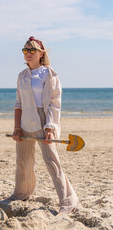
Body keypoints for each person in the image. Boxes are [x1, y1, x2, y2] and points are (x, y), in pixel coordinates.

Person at [10, 36, 78, 214]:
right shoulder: (21, 76)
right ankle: (21, 194)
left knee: (52, 162)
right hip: (25, 121)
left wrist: (50, 127)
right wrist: (16, 128)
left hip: (44, 121)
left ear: (41, 53)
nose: (28, 54)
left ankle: (68, 201)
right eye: (25, 50)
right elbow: (18, 104)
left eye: (32, 50)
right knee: (23, 161)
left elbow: (55, 103)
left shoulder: (49, 74)